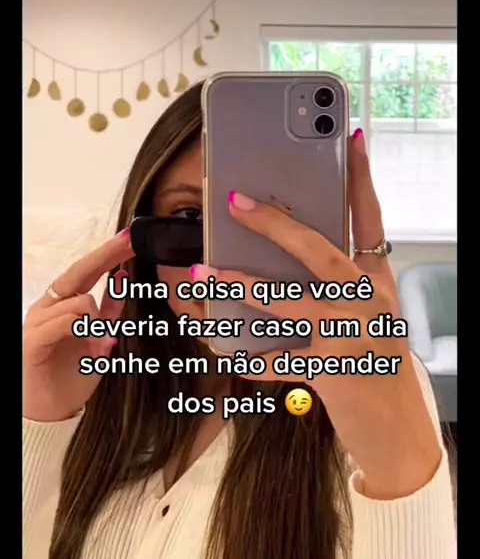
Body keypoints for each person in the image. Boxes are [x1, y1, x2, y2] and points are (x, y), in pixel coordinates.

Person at [23, 81, 456, 559]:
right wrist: (37, 420)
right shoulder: (90, 381)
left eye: (277, 215)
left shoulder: (377, 390)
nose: (221, 267)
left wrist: (403, 468)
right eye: (189, 215)